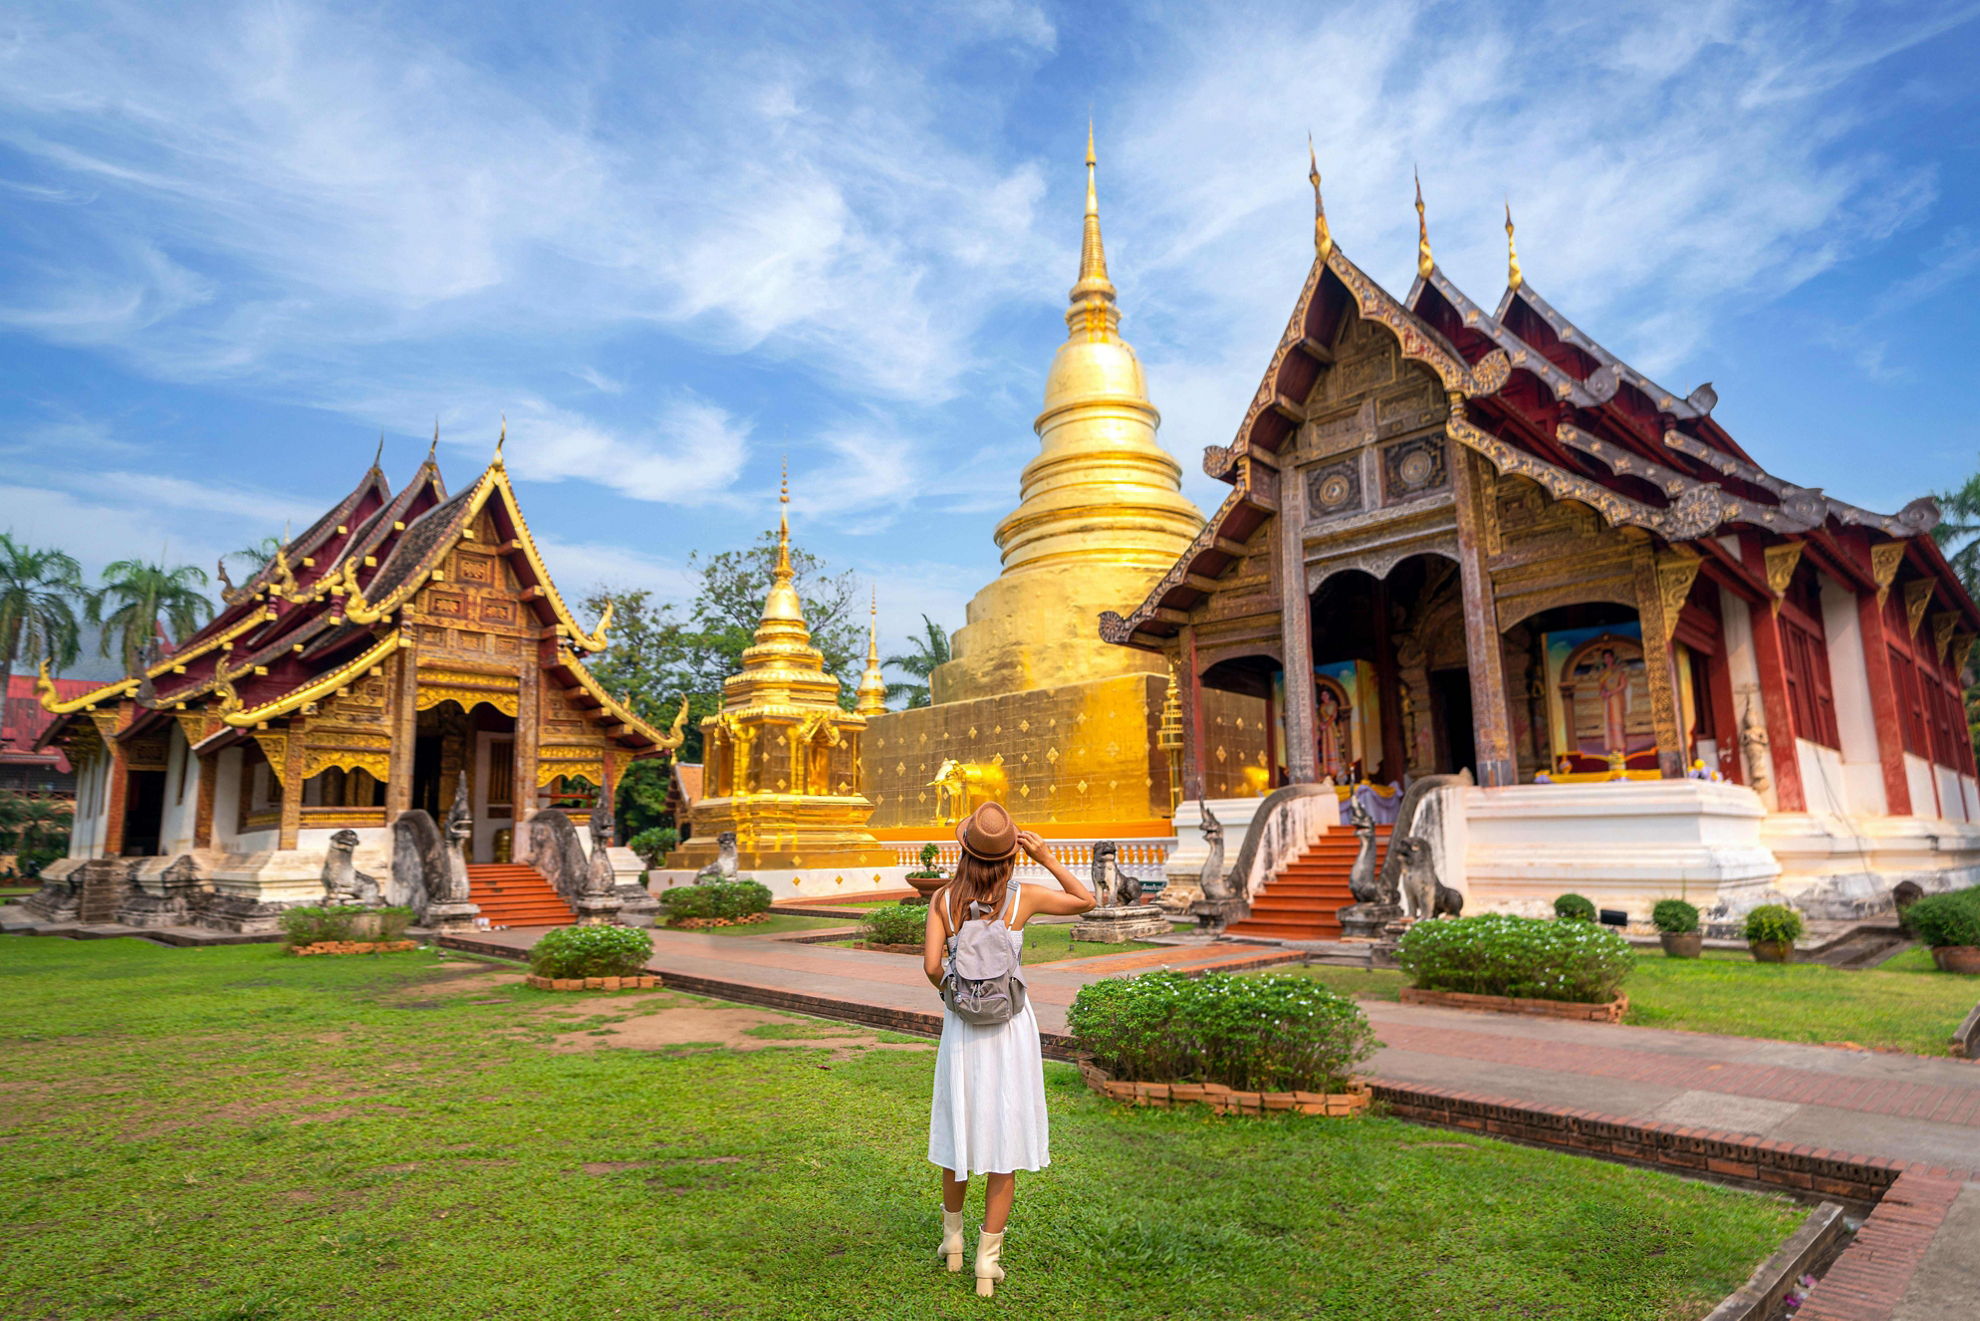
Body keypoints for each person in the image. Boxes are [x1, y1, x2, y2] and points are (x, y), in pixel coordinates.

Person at [922, 801, 1095, 1297]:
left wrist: (955, 995)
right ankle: (986, 1264)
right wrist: (1046, 857)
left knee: (960, 1134)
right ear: (1009, 854)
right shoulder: (1025, 898)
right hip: (1011, 1028)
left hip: (962, 1031)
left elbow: (933, 966)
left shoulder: (943, 901)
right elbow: (1086, 900)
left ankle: (952, 1244)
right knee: (1005, 1140)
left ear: (965, 851)